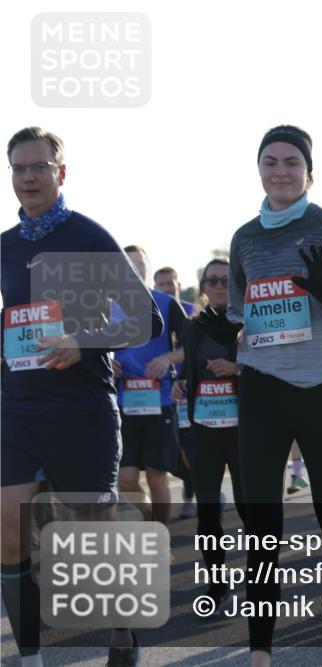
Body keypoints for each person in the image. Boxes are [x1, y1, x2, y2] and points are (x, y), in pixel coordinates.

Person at [199, 125, 322, 666]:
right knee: (260, 521)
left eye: (291, 162)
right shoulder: (245, 239)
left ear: (309, 172)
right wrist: (225, 329)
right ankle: (260, 649)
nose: (280, 170)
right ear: (258, 168)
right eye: (270, 161)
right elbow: (242, 314)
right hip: (262, 387)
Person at [2, 126, 162, 666]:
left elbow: (145, 317)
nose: (28, 177)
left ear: (60, 172)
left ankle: (124, 627)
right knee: (7, 529)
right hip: (17, 408)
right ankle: (29, 657)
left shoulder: (88, 236)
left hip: (82, 410)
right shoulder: (3, 247)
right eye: (19, 168)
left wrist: (82, 340)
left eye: (38, 167)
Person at [171, 258, 247, 609]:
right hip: (204, 429)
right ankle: (217, 583)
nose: (218, 285)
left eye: (225, 280)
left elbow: (273, 367)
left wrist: (237, 368)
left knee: (251, 509)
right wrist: (180, 382)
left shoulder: (251, 323)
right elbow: (188, 368)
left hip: (244, 430)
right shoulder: (194, 326)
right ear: (203, 287)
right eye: (212, 280)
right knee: (208, 512)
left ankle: (262, 578)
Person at [114, 245, 190, 528]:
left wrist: (169, 356)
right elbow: (92, 347)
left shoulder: (167, 302)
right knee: (126, 480)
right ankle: (149, 519)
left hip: (160, 400)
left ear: (147, 267)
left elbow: (190, 346)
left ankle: (159, 532)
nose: (134, 269)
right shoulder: (104, 305)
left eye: (139, 264)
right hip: (124, 401)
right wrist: (108, 365)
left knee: (158, 475)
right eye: (128, 264)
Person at [153, 266, 199, 518]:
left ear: (179, 285)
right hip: (163, 392)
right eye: (162, 285)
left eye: (171, 283)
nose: (167, 288)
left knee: (189, 447)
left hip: (190, 389)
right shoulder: (152, 314)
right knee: (173, 452)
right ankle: (198, 486)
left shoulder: (193, 313)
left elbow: (195, 349)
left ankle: (190, 497)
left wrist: (170, 358)